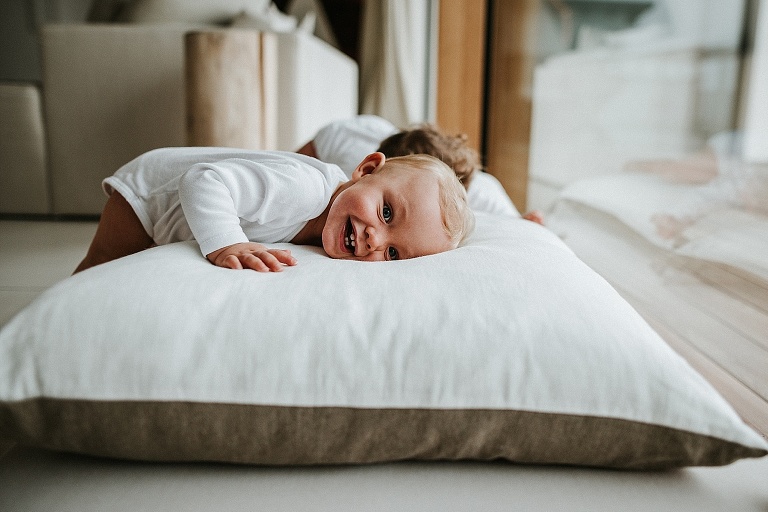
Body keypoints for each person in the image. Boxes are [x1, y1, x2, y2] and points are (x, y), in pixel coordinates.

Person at [73, 147, 474, 274]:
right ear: (366, 170)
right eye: (386, 213)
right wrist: (226, 243)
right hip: (150, 198)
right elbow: (203, 181)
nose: (375, 238)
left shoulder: (332, 219)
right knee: (99, 267)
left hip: (165, 201)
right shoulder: (304, 190)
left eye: (392, 253)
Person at [296, 115, 544, 223]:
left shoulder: (481, 194)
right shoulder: (351, 135)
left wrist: (528, 223)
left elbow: (519, 227)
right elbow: (291, 163)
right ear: (374, 167)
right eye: (387, 208)